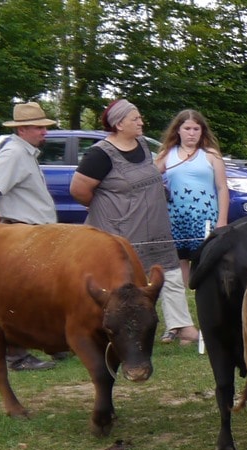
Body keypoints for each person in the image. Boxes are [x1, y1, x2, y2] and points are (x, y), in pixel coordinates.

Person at [69, 99, 187, 344]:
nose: (141, 122)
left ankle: (182, 326)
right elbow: (79, 190)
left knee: (171, 274)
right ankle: (111, 329)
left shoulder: (142, 144)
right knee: (121, 282)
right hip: (121, 229)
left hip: (155, 226)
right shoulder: (100, 154)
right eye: (135, 119)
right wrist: (109, 208)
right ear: (119, 124)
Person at [0, 101, 60, 371]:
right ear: (23, 129)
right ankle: (16, 355)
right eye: (39, 127)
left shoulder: (26, 153)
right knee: (19, 296)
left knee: (39, 293)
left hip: (35, 233)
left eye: (44, 127)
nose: (44, 132)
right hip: (22, 233)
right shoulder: (14, 153)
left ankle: (51, 344)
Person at [154, 109, 231, 338]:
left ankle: (210, 318)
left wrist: (222, 220)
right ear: (178, 130)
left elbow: (222, 188)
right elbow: (148, 179)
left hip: (205, 217)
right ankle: (178, 324)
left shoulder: (210, 155)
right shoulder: (168, 155)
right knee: (176, 271)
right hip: (176, 218)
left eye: (196, 129)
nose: (191, 133)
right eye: (187, 128)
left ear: (202, 131)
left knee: (205, 266)